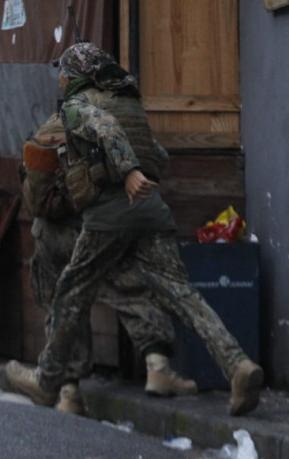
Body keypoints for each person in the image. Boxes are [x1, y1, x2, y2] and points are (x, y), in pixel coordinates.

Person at [6, 42, 263, 417]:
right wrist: (136, 172)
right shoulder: (130, 105)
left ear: (76, 76)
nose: (59, 79)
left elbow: (104, 130)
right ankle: (238, 365)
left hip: (110, 216)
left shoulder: (78, 108)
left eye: (63, 72)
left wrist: (125, 172)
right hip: (153, 214)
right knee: (184, 296)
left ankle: (48, 382)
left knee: (69, 294)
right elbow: (159, 157)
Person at [13, 113, 198, 415]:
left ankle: (70, 392)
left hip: (49, 234)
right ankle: (158, 367)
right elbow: (156, 161)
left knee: (65, 305)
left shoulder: (54, 121)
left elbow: (30, 172)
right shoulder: (114, 116)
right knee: (130, 287)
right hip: (97, 230)